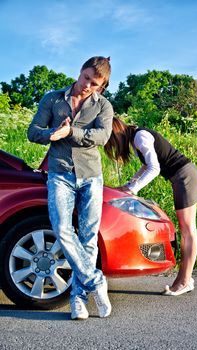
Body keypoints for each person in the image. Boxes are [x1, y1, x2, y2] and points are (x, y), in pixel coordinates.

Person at [27, 56, 114, 319]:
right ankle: (96, 281)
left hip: (90, 176)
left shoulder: (104, 107)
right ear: (80, 71)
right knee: (62, 229)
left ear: (102, 86)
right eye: (86, 78)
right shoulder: (53, 99)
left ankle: (78, 300)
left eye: (95, 84)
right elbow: (33, 132)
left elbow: (102, 137)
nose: (88, 85)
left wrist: (71, 133)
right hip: (60, 174)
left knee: (88, 238)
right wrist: (53, 132)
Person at [104, 117, 197, 296]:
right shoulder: (136, 137)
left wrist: (132, 189)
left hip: (184, 177)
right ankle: (186, 278)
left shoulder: (140, 137)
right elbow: (146, 166)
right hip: (182, 176)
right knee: (188, 230)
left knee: (188, 231)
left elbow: (154, 168)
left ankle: (184, 281)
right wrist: (128, 186)